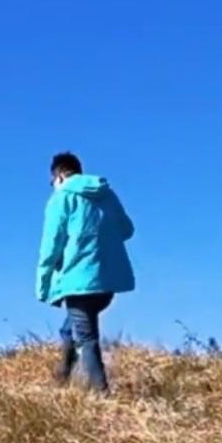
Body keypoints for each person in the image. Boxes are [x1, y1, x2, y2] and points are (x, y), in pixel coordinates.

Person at [37, 152, 135, 395]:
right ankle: (62, 376)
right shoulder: (107, 194)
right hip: (108, 280)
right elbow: (126, 229)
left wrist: (43, 285)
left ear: (59, 176)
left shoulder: (61, 199)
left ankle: (101, 394)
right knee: (70, 329)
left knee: (87, 338)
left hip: (78, 280)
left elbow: (51, 245)